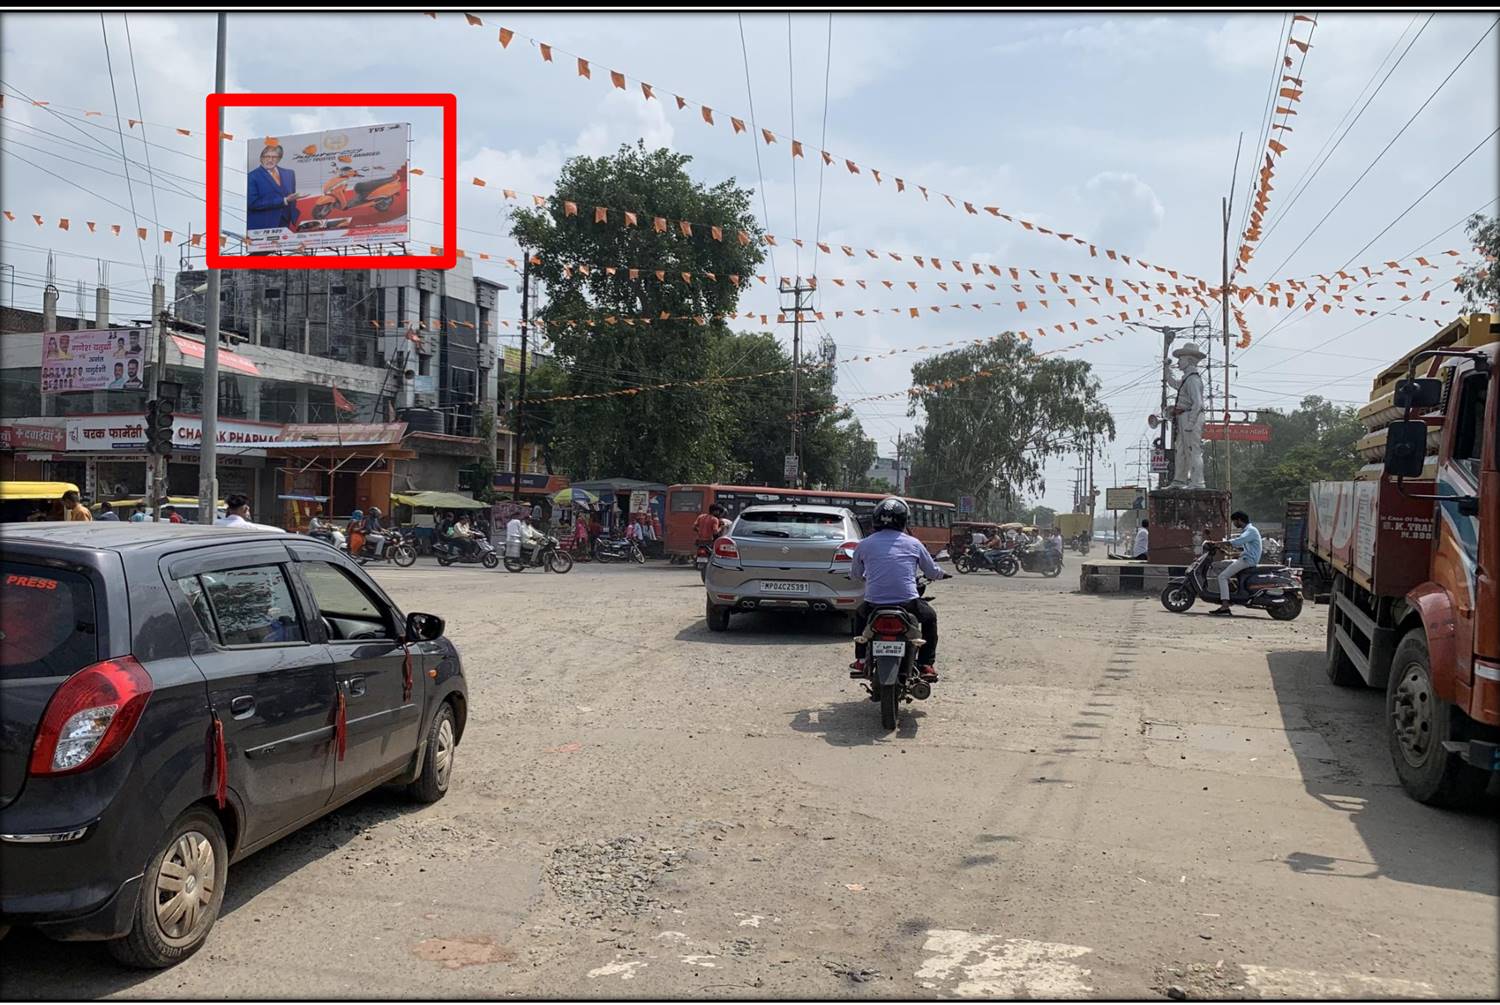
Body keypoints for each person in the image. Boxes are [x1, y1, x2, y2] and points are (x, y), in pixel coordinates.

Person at [848, 497, 946, 685]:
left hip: (874, 604)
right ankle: (926, 664)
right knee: (930, 617)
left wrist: (866, 578)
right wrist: (942, 574)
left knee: (859, 616)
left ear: (876, 518)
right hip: (907, 602)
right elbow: (932, 571)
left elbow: (855, 574)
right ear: (903, 520)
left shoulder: (864, 544)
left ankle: (861, 660)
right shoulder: (914, 543)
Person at [1211, 510, 1263, 617]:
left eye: (1234, 521)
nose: (1234, 524)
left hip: (1247, 561)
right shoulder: (1248, 531)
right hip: (1244, 559)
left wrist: (1217, 543)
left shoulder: (1251, 530)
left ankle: (1225, 606)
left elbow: (1238, 541)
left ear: (1239, 520)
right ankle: (1232, 587)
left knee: (1222, 577)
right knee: (1217, 565)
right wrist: (1228, 553)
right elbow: (1245, 550)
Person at [247, 143, 300, 233]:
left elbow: (292, 196)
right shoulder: (252, 176)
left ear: (279, 159)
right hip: (262, 226)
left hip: (285, 223)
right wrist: (283, 200)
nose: (270, 160)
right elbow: (252, 203)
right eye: (267, 156)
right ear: (261, 158)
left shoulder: (289, 174)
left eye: (274, 157)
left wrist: (292, 213)